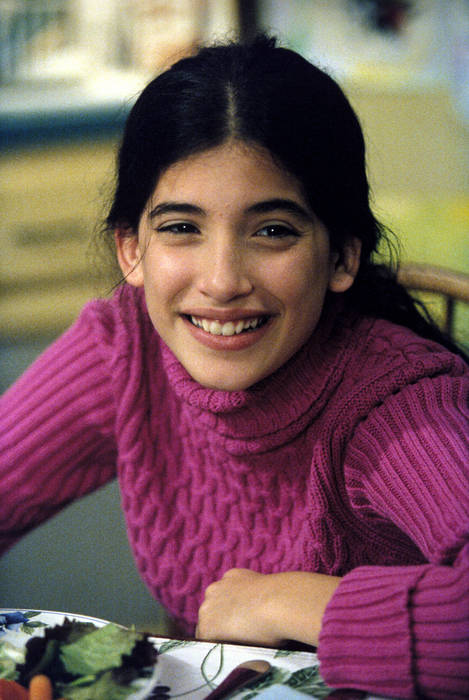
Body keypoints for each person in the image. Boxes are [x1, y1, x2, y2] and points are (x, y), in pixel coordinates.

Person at [1, 35, 468, 699]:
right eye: (181, 228)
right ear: (131, 250)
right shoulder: (126, 348)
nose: (221, 282)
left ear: (342, 256)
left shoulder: (394, 405)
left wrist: (286, 602)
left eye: (272, 230)